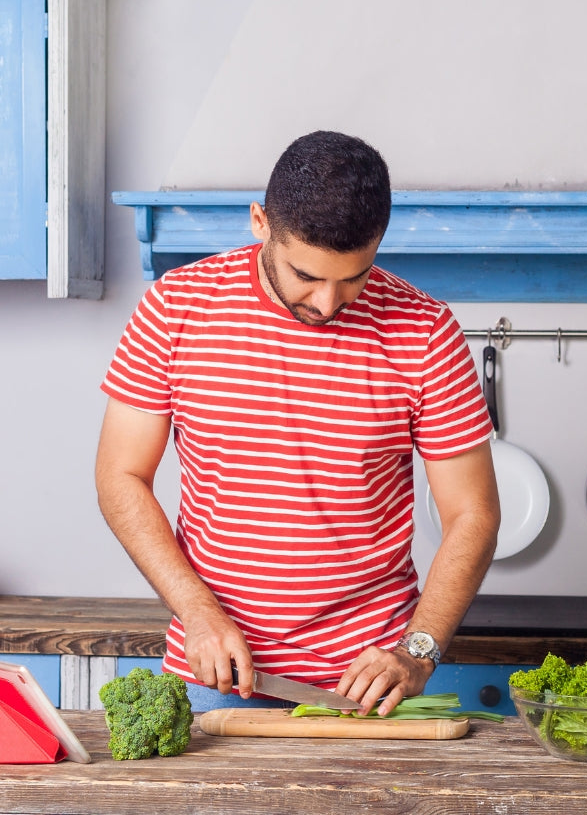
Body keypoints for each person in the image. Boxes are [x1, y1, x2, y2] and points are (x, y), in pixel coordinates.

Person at [96, 130, 500, 717]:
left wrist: (417, 651)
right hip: (217, 675)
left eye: (354, 277)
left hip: (369, 687)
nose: (330, 302)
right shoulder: (175, 307)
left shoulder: (426, 332)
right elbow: (119, 477)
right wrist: (198, 613)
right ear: (260, 222)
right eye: (306, 275)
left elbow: (474, 514)